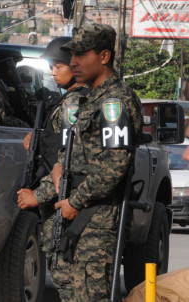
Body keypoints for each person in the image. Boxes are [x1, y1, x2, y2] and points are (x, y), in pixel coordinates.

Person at [48, 24, 143, 301]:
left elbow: (114, 165)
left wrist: (75, 203)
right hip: (79, 210)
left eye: (81, 54)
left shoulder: (115, 100)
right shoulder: (92, 98)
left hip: (96, 217)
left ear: (103, 56)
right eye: (71, 55)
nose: (73, 62)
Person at [16, 36, 89, 298]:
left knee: (67, 278)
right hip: (64, 202)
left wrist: (38, 195)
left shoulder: (73, 104)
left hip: (65, 204)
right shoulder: (69, 100)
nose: (53, 72)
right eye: (52, 66)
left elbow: (69, 165)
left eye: (59, 66)